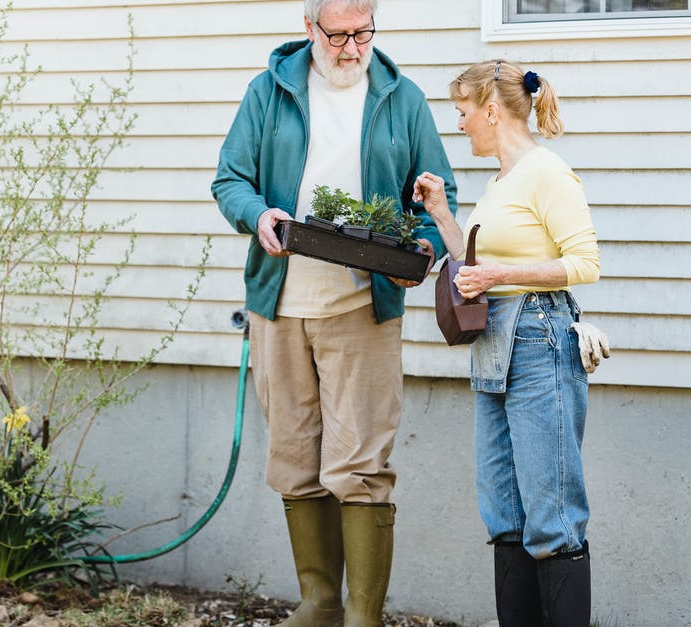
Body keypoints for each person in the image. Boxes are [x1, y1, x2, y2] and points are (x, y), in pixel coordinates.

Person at [211, 0, 458, 624]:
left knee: (361, 463)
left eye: (363, 32)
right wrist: (259, 214)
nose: (352, 48)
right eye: (339, 34)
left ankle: (362, 616)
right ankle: (320, 604)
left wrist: (424, 237)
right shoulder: (268, 92)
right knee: (296, 458)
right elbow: (230, 180)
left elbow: (438, 193)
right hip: (281, 303)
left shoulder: (402, 98)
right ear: (309, 28)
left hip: (362, 303)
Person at [412, 59, 609, 626]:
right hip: (494, 345)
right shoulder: (499, 184)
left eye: (464, 112)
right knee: (505, 515)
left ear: (492, 111)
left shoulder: (548, 173)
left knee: (553, 516)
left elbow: (585, 263)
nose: (460, 124)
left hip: (539, 339)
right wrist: (444, 216)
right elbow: (475, 266)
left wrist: (498, 276)